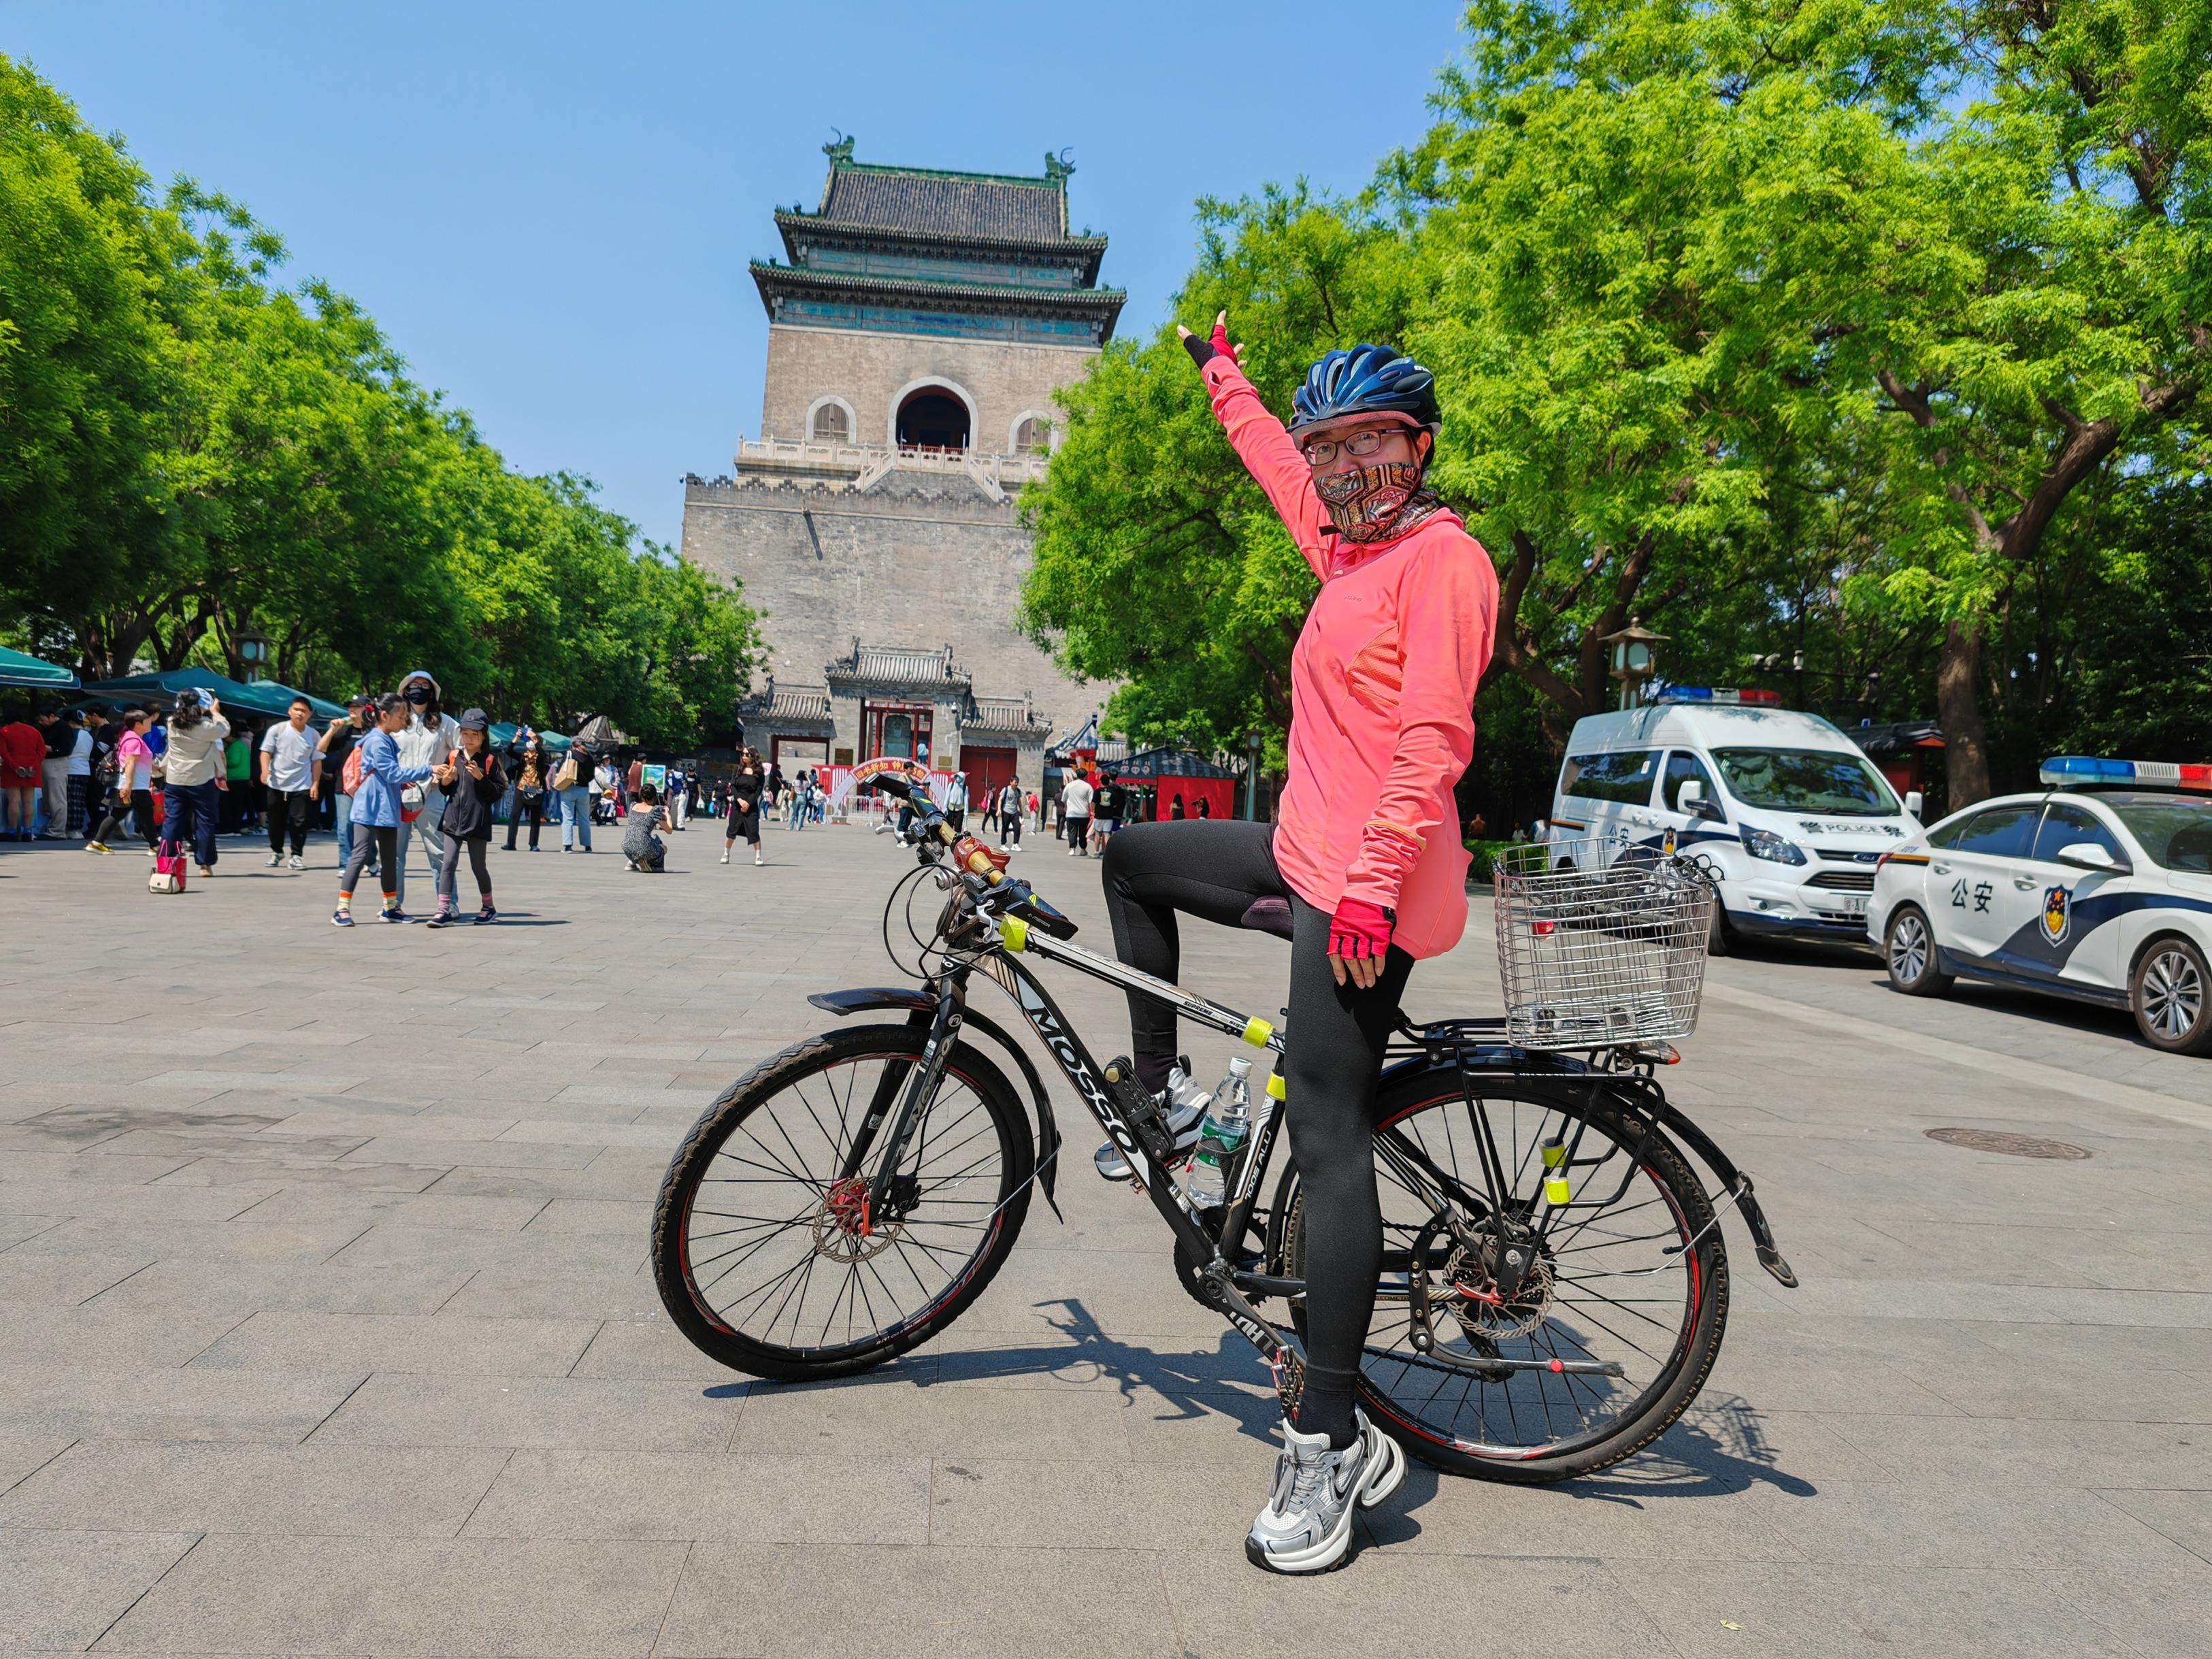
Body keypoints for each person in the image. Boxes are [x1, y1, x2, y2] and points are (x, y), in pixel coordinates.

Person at [1095, 317, 1491, 1573]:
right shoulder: (1339, 547)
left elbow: (1433, 738)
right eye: (1330, 446)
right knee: (1131, 857)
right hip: (1306, 842)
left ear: (1416, 446)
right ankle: (1157, 1091)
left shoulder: (1445, 562)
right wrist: (1227, 379)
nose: (1341, 465)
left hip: (1372, 875)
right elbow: (1269, 461)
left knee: (1326, 1133)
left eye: (1369, 441)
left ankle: (1331, 1438)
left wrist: (1366, 895)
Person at [333, 693, 435, 925]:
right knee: (359, 856)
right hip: (370, 807)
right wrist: (429, 769)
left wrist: (400, 783)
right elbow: (392, 773)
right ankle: (341, 909)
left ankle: (390, 908)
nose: (405, 720)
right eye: (401, 716)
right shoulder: (376, 740)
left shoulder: (384, 739)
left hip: (385, 808)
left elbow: (388, 775)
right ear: (384, 715)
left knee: (389, 859)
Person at [427, 708, 505, 927]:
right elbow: (446, 791)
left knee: (478, 866)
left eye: (475, 735)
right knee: (448, 863)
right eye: (465, 734)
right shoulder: (454, 756)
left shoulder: (489, 760)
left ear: (484, 736)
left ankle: (488, 907)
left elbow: (497, 793)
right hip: (452, 819)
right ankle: (443, 910)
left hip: (477, 821)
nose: (469, 739)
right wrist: (446, 781)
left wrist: (481, 778)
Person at [391, 670, 460, 908]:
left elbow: (462, 750)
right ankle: (393, 904)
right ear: (405, 689)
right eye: (414, 684)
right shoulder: (396, 720)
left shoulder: (445, 722)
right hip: (397, 794)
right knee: (393, 855)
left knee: (439, 853)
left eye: (424, 685)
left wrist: (449, 774)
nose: (419, 689)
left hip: (432, 795)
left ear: (433, 691)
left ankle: (448, 905)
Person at [159, 689, 231, 876]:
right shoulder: (206, 727)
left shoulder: (171, 723)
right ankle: (205, 865)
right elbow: (225, 730)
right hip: (201, 780)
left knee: (173, 821)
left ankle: (166, 863)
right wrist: (215, 712)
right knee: (204, 822)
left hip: (175, 779)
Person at [259, 696, 320, 869]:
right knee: (276, 821)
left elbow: (317, 760)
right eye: (297, 710)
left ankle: (296, 855)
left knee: (299, 822)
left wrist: (315, 783)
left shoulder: (314, 735)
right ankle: (276, 851)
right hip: (276, 783)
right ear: (289, 711)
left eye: (304, 711)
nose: (300, 714)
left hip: (302, 784)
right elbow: (265, 752)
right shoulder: (277, 730)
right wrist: (265, 770)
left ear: (309, 714)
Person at [320, 696, 377, 878]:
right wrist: (332, 730)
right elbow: (320, 749)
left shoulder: (374, 731)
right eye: (350, 707)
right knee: (345, 826)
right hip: (343, 786)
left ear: (367, 709)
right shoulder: (343, 731)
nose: (352, 710)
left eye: (357, 707)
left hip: (369, 786)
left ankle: (370, 860)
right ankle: (345, 862)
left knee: (367, 827)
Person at [88, 708, 159, 855]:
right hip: (135, 786)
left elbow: (139, 762)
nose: (150, 723)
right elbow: (130, 763)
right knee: (144, 815)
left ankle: (97, 842)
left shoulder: (130, 738)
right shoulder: (134, 740)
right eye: (147, 721)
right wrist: (129, 785)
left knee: (118, 814)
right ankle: (155, 846)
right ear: (138, 724)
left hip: (132, 784)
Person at [0, 704, 46, 840]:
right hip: (31, 769)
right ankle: (27, 831)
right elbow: (41, 750)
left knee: (14, 801)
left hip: (11, 769)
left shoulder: (4, 731)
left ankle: (13, 831)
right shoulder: (34, 731)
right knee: (28, 802)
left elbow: (3, 752)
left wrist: (15, 766)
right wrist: (34, 765)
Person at [505, 734, 550, 851]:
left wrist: (535, 740)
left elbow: (543, 755)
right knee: (515, 815)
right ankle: (510, 843)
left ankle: (533, 844)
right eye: (529, 741)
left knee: (535, 818)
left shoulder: (540, 758)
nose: (530, 742)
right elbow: (508, 751)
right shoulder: (522, 757)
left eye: (533, 741)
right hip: (522, 787)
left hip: (536, 789)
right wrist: (516, 738)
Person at [722, 748, 764, 866]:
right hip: (737, 804)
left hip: (751, 805)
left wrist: (748, 804)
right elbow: (733, 786)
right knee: (732, 830)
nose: (744, 756)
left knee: (754, 830)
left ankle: (758, 856)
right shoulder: (737, 770)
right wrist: (739, 800)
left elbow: (758, 791)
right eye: (743, 754)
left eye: (747, 754)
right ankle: (726, 854)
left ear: (753, 756)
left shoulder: (759, 772)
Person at [623, 781, 669, 871]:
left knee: (648, 838)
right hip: (644, 848)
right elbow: (669, 830)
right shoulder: (655, 810)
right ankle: (652, 866)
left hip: (627, 847)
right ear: (655, 796)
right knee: (663, 847)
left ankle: (632, 862)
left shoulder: (633, 806)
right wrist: (667, 815)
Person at [555, 745, 593, 852]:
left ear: (573, 745)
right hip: (584, 789)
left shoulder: (569, 754)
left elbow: (561, 769)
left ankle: (568, 845)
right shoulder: (589, 757)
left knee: (568, 817)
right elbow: (591, 775)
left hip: (570, 788)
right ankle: (587, 845)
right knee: (585, 818)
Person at [1061, 768, 1093, 857]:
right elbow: (1091, 801)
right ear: (1086, 776)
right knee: (1083, 833)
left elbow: (1064, 798)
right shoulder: (1088, 787)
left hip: (1071, 813)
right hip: (1084, 813)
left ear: (1076, 775)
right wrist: (1093, 812)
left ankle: (1072, 849)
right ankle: (1083, 849)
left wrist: (1066, 806)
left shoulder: (1070, 785)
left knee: (1072, 831)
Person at [1091, 771, 1123, 856]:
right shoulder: (1115, 791)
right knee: (1107, 833)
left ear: (1101, 781)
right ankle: (1107, 852)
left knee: (1098, 833)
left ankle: (1096, 851)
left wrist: (1093, 811)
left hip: (1098, 815)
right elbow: (1116, 804)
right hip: (1109, 816)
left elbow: (1094, 803)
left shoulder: (1097, 791)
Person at [997, 780, 1023, 852]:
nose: (1016, 784)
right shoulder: (1006, 789)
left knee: (1017, 827)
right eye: (1015, 782)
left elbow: (1019, 801)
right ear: (1011, 782)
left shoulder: (1018, 791)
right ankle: (1003, 844)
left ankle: (1015, 844)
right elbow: (1000, 799)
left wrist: (1021, 811)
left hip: (1015, 812)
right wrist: (999, 809)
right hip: (1006, 811)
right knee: (1005, 828)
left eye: (1017, 782)